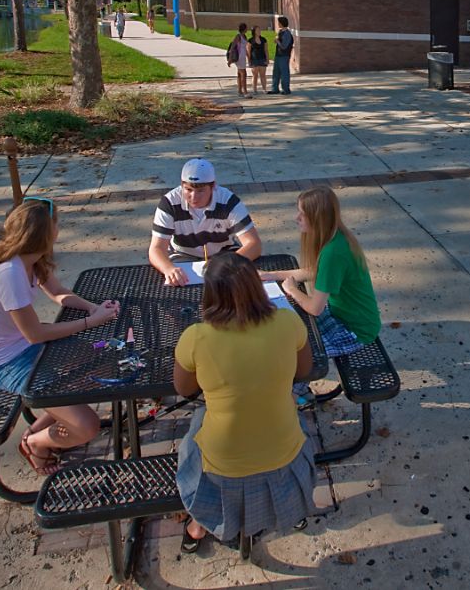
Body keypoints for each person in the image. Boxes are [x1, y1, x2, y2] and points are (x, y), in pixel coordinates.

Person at [173, 252, 315, 552]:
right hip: (284, 453)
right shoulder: (288, 321)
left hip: (222, 465)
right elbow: (303, 371)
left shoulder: (196, 336)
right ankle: (289, 506)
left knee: (199, 421)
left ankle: (200, 522)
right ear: (255, 287)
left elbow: (184, 389)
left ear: (209, 292)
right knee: (296, 417)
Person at [0, 198, 121, 474]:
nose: (59, 229)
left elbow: (59, 294)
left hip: (27, 347)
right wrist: (90, 322)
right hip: (7, 363)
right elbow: (36, 333)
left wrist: (93, 307)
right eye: (56, 224)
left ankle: (44, 423)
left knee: (103, 362)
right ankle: (36, 443)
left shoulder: (32, 259)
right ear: (45, 232)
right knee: (88, 426)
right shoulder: (10, 273)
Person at [261, 186, 381, 405]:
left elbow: (315, 308)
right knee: (292, 337)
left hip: (355, 330)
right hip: (343, 317)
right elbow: (312, 271)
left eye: (302, 214)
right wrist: (272, 275)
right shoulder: (336, 238)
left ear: (317, 219)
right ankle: (297, 392)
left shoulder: (334, 252)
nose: (296, 218)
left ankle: (291, 397)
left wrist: (292, 290)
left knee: (298, 352)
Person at [149, 158, 262, 285]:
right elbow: (156, 248)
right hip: (182, 256)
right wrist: (168, 269)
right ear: (181, 184)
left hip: (223, 255)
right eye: (188, 190)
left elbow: (254, 244)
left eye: (201, 191)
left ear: (213, 186)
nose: (194, 197)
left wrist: (228, 264)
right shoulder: (169, 203)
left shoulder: (228, 202)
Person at [268, 16, 293, 95]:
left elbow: (284, 46)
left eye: (279, 22)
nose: (278, 24)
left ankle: (286, 89)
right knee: (276, 72)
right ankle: (275, 88)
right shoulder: (280, 32)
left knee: (284, 73)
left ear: (282, 23)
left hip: (284, 56)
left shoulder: (287, 34)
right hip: (278, 55)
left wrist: (277, 41)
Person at [227, 22, 251, 98]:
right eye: (246, 28)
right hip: (239, 57)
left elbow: (245, 48)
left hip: (243, 57)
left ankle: (240, 90)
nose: (247, 29)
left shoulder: (244, 36)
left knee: (239, 74)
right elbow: (232, 47)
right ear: (244, 28)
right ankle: (245, 92)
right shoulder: (238, 36)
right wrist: (230, 59)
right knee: (244, 73)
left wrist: (248, 56)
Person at [248, 24, 269, 96]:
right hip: (254, 60)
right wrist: (249, 61)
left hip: (262, 59)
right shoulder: (250, 40)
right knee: (255, 75)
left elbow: (266, 50)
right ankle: (254, 90)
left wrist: (267, 59)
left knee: (263, 75)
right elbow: (248, 51)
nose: (259, 31)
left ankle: (264, 89)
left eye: (260, 30)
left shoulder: (264, 39)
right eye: (257, 30)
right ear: (254, 31)